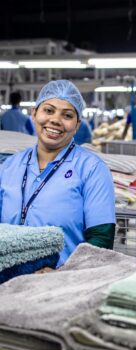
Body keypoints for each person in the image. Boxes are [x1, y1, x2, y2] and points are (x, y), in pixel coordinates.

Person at [0, 80, 116, 268]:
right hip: (7, 280)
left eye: (67, 115)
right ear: (34, 114)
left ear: (77, 125)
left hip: (62, 283)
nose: (55, 120)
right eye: (48, 110)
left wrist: (62, 276)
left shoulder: (91, 169)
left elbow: (101, 240)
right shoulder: (9, 167)